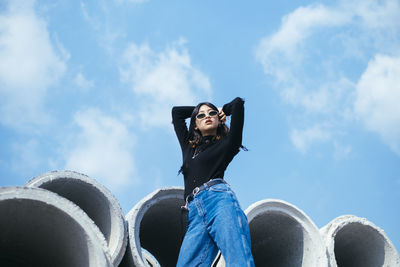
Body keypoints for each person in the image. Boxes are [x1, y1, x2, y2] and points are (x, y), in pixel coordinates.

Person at [171, 97, 255, 266]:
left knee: (237, 256)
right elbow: (177, 112)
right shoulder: (189, 147)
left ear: (219, 119)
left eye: (212, 113)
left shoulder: (228, 143)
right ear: (195, 124)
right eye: (201, 116)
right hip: (193, 212)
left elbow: (238, 103)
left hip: (218, 201)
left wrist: (223, 108)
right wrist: (198, 109)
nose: (207, 116)